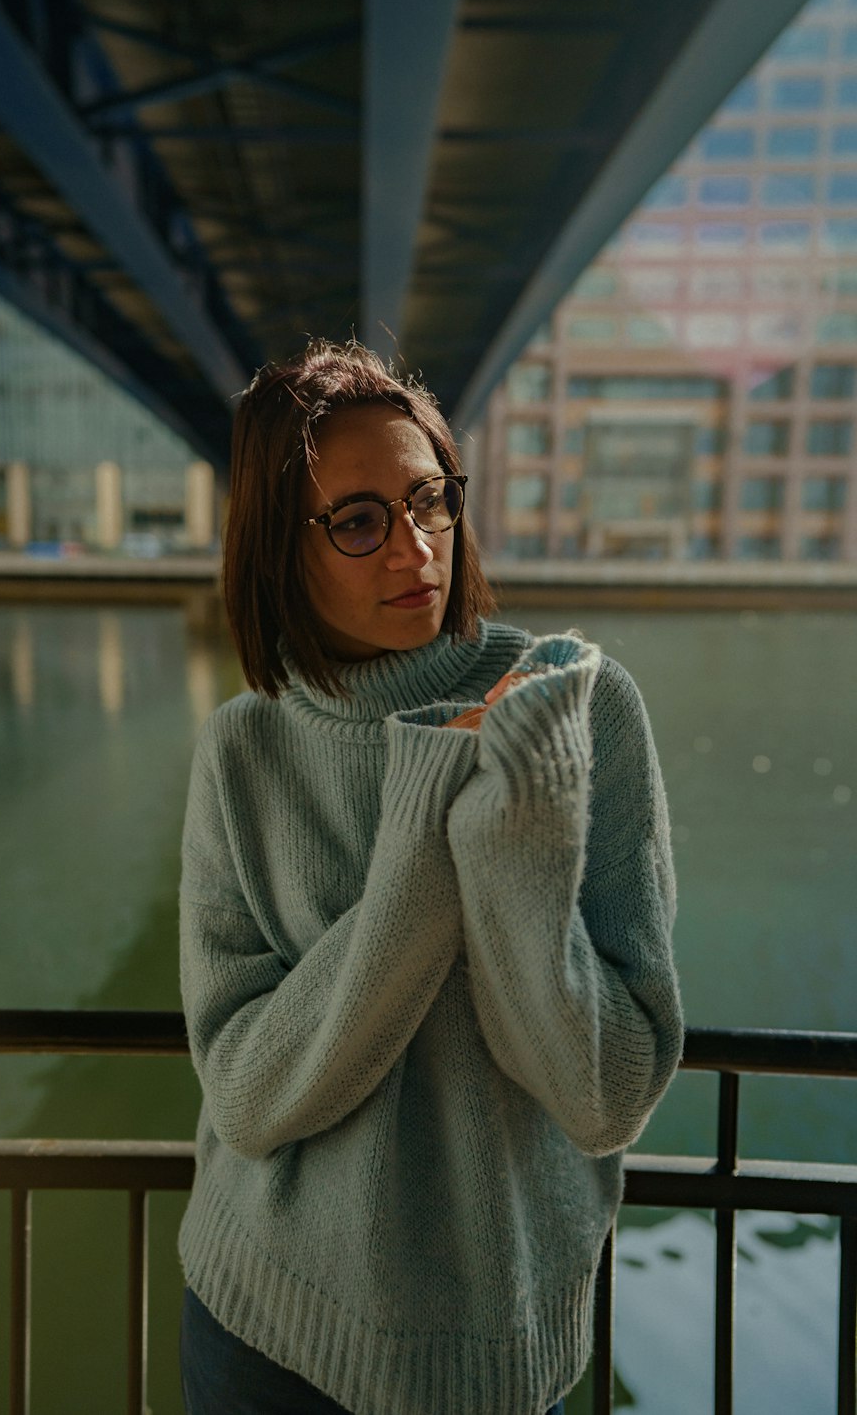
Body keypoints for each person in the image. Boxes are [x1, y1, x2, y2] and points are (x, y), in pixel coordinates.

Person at [177, 338, 683, 1415]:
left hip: (500, 1344)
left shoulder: (578, 714)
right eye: (358, 520)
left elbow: (605, 1099)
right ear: (281, 548)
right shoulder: (243, 750)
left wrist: (514, 854)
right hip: (262, 1330)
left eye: (430, 501)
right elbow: (247, 1098)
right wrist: (421, 847)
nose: (413, 547)